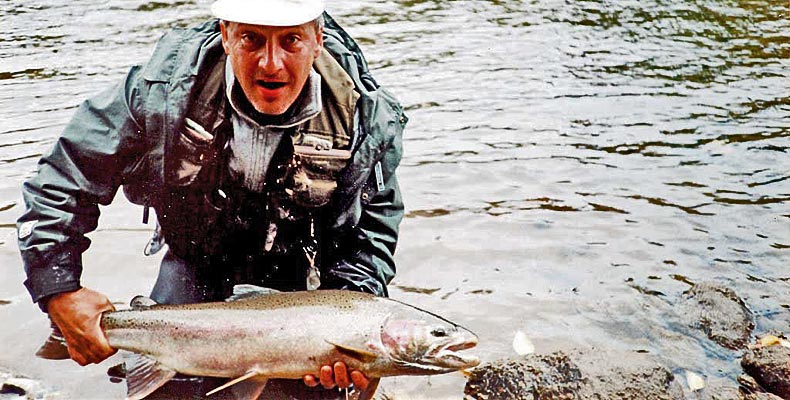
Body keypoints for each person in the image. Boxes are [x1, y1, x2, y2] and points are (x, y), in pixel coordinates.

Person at [16, 0, 406, 397]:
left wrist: (352, 319)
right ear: (225, 35)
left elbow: (373, 229)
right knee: (171, 391)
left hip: (301, 286)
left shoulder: (365, 117)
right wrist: (59, 290)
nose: (271, 64)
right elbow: (62, 180)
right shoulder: (159, 93)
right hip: (195, 261)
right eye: (251, 39)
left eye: (291, 40)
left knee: (330, 386)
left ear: (317, 41)